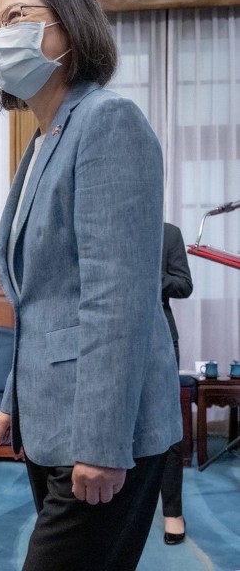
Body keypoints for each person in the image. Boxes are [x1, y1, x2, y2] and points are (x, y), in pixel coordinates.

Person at [0, 0, 181, 571]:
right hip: (53, 419)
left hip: (101, 431)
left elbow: (115, 300)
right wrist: (14, 399)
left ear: (71, 28)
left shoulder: (107, 121)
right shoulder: (44, 140)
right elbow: (42, 301)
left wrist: (100, 442)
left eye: (17, 17)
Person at [160, 221, 193, 545]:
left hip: (161, 338)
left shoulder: (169, 233)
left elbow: (184, 285)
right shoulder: (105, 223)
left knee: (168, 426)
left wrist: (150, 277)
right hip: (110, 337)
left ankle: (173, 511)